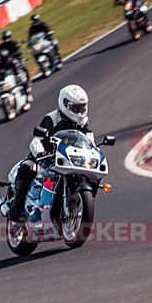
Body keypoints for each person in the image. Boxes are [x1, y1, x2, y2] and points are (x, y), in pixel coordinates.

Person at [9, 84, 91, 224]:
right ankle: (16, 207)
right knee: (27, 168)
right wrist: (41, 153)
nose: (79, 111)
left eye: (82, 107)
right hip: (46, 156)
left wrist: (93, 148)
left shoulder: (83, 121)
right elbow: (36, 139)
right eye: (75, 107)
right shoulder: (52, 118)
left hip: (68, 157)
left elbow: (89, 138)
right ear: (64, 104)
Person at [0, 30, 32, 98]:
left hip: (14, 59)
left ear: (10, 37)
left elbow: (19, 51)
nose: (6, 40)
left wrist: (13, 55)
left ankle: (26, 82)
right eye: (4, 38)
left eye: (7, 38)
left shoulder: (13, 43)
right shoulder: (1, 46)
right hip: (4, 63)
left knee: (20, 65)